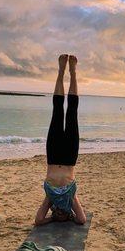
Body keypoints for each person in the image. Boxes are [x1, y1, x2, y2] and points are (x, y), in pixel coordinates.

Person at [35, 54, 86, 226]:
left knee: (57, 111)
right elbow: (81, 219)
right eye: (62, 215)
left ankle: (60, 71)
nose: (59, 214)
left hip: (53, 155)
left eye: (57, 215)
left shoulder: (50, 199)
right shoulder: (70, 198)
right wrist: (69, 215)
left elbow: (38, 220)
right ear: (68, 214)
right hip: (70, 157)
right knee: (72, 112)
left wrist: (52, 219)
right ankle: (72, 72)